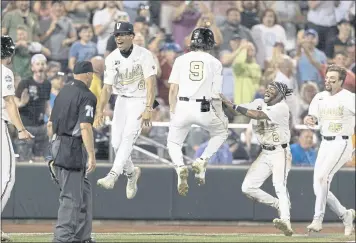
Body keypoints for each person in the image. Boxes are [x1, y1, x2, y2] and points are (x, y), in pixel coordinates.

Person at [220, 81, 294, 236]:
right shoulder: (258, 102)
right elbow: (237, 112)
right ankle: (278, 204)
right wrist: (225, 102)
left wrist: (233, 106)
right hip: (265, 152)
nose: (267, 90)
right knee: (247, 187)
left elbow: (257, 115)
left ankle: (286, 222)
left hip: (280, 151)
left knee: (279, 185)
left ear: (280, 94)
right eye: (268, 88)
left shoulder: (282, 107)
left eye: (272, 89)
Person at [94, 22, 157, 199]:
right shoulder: (112, 58)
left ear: (131, 36)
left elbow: (151, 84)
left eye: (122, 34)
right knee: (115, 143)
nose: (119, 38)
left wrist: (148, 107)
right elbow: (106, 88)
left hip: (140, 99)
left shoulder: (144, 55)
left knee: (129, 137)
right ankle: (131, 174)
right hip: (121, 100)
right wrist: (100, 110)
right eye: (116, 35)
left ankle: (113, 175)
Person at [167, 27, 228, 196]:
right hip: (204, 106)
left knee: (173, 143)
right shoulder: (215, 63)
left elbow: (173, 90)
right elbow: (216, 95)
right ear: (209, 43)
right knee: (221, 133)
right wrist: (220, 115)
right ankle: (202, 160)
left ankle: (180, 168)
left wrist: (173, 111)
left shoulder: (180, 59)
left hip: (183, 105)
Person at [47, 61, 97, 243]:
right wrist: (91, 155)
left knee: (83, 192)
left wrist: (51, 150)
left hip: (58, 143)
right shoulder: (87, 95)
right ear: (89, 75)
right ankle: (62, 238)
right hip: (72, 147)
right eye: (92, 75)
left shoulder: (63, 91)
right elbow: (85, 126)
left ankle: (82, 237)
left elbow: (50, 124)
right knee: (71, 197)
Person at [304, 64, 355, 235]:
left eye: (333, 79)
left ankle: (318, 219)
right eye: (327, 78)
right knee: (317, 186)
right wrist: (309, 119)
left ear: (341, 81)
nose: (328, 81)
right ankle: (345, 214)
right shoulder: (319, 97)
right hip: (325, 143)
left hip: (342, 142)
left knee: (323, 177)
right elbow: (312, 116)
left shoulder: (349, 97)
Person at [1, 35, 33, 242]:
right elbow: (10, 103)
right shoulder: (4, 72)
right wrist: (21, 129)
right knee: (7, 177)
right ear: (10, 53)